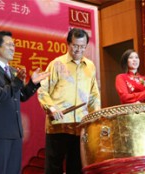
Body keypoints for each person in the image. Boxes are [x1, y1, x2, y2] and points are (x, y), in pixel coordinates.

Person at [0, 30, 49, 174]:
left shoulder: (12, 71)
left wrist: (33, 83)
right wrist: (17, 82)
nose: (13, 48)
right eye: (9, 44)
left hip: (14, 132)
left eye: (14, 44)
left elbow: (21, 95)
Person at [37, 28, 101, 174]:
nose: (78, 50)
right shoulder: (57, 64)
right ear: (68, 44)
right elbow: (42, 90)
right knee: (54, 167)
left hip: (80, 125)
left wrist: (96, 115)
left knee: (77, 167)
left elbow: (93, 95)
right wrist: (51, 108)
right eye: (75, 45)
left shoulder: (90, 66)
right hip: (58, 124)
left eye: (82, 46)